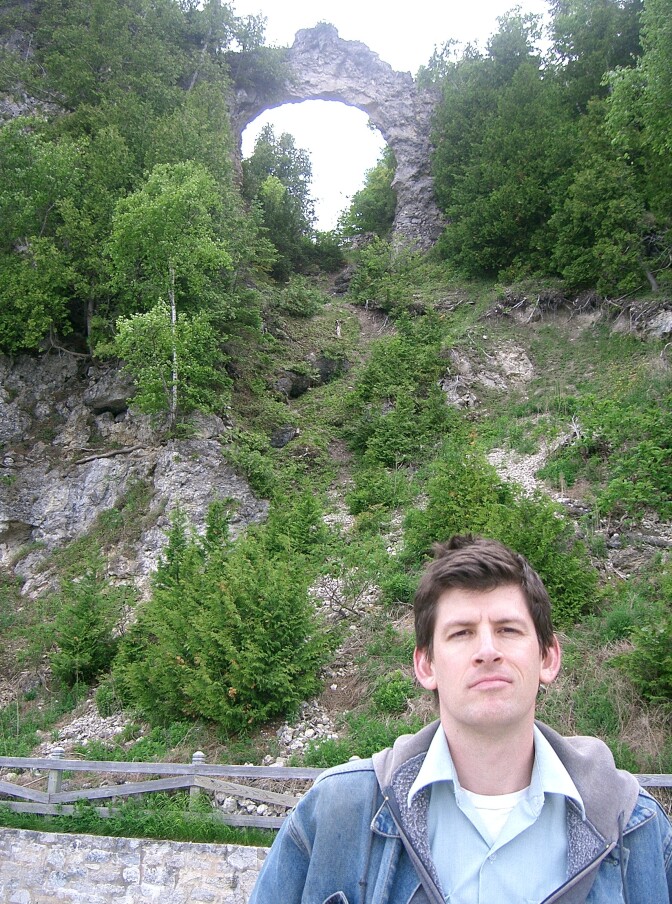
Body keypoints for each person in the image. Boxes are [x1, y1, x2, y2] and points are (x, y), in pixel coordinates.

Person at [249, 535, 672, 904]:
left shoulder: (640, 829)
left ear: (548, 657)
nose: (487, 651)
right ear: (426, 665)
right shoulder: (336, 813)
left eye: (508, 629)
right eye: (462, 633)